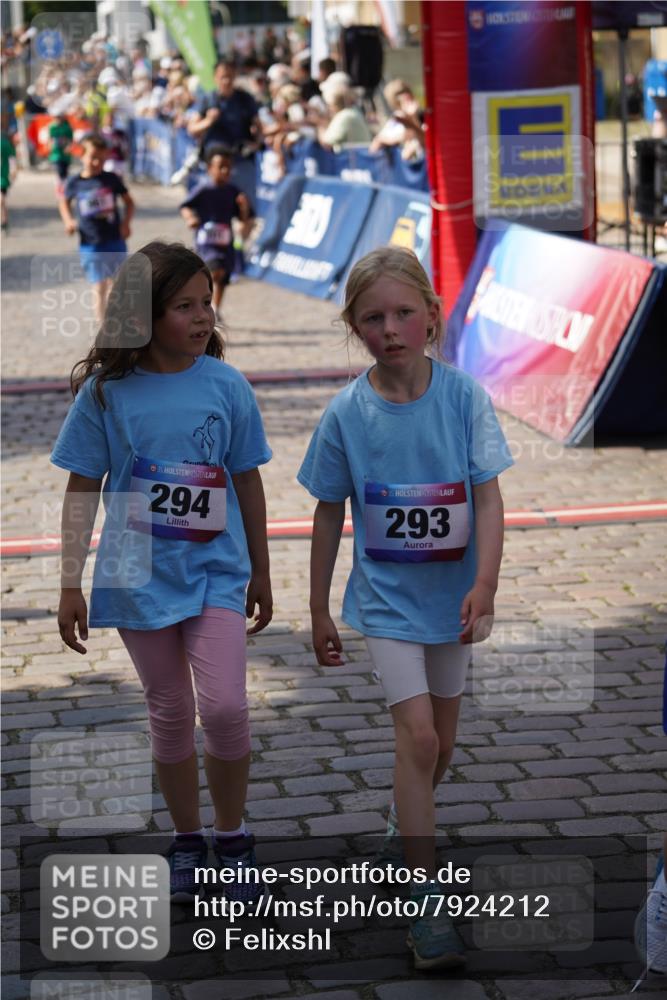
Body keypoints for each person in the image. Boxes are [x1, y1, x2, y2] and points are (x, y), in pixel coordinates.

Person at [297, 247, 513, 970]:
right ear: (353, 328)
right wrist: (319, 608)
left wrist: (484, 583)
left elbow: (486, 493)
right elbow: (328, 513)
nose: (388, 328)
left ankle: (402, 823)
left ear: (430, 316)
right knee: (418, 741)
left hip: (448, 601)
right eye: (371, 318)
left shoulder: (463, 399)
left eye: (401, 313)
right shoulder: (345, 414)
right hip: (385, 604)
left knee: (440, 748)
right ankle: (426, 909)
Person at [51, 241, 273, 903]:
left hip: (215, 570)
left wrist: (261, 569)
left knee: (228, 708)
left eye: (207, 303)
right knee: (170, 710)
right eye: (185, 306)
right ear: (144, 315)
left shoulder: (227, 385)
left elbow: (248, 480)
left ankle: (232, 838)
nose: (204, 317)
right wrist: (68, 582)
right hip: (134, 570)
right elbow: (82, 487)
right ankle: (187, 842)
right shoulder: (106, 393)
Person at [58, 133, 134, 324]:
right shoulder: (75, 182)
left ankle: (117, 320)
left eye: (101, 158)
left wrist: (126, 223)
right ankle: (104, 328)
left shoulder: (111, 179)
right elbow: (63, 202)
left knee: (117, 285)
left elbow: (129, 202)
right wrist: (68, 221)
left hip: (115, 239)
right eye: (92, 157)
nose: (96, 162)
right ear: (81, 156)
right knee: (99, 286)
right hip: (90, 243)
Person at [179, 145, 254, 319]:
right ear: (210, 168)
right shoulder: (204, 189)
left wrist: (244, 207)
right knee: (213, 272)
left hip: (226, 243)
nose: (225, 170)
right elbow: (185, 206)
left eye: (228, 166)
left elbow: (244, 219)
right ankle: (204, 306)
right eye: (220, 166)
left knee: (222, 278)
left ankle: (215, 309)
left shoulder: (233, 191)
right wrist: (190, 218)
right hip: (206, 243)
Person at [187, 60, 261, 200]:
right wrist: (208, 121)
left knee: (245, 207)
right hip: (216, 163)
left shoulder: (245, 99)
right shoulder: (208, 100)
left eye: (230, 76)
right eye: (223, 77)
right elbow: (192, 129)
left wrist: (256, 142)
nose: (226, 81)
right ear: (215, 78)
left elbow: (259, 127)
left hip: (241, 161)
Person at [47, 111, 73, 193]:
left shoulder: (67, 127)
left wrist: (68, 147)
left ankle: (64, 187)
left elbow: (70, 140)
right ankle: (60, 189)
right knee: (59, 171)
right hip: (56, 154)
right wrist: (50, 147)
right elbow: (50, 139)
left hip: (65, 155)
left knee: (64, 172)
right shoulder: (52, 127)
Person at [0, 120, 17, 232]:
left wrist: (14, 171)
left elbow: (12, 158)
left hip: (2, 178)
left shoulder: (4, 143)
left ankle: (4, 221)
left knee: (1, 200)